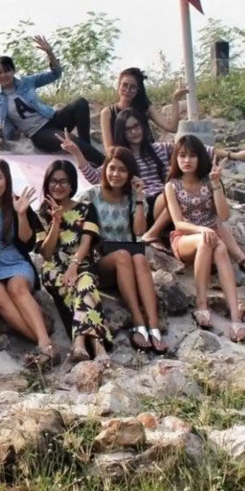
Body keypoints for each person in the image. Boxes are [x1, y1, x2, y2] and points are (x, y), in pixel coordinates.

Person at [65, 111, 245, 253]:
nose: (134, 131)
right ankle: (151, 235)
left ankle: (239, 258)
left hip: (167, 204)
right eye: (128, 129)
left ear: (143, 127)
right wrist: (77, 154)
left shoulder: (159, 148)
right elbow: (95, 178)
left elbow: (199, 150)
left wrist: (233, 155)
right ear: (122, 132)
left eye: (136, 126)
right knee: (173, 192)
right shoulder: (122, 157)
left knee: (190, 197)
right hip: (144, 207)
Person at [0, 158, 59, 366]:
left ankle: (44, 343)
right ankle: (45, 344)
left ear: (7, 180)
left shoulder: (17, 204)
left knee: (16, 288)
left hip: (15, 260)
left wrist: (21, 214)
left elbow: (27, 243)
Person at [0, 36, 104, 166]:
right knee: (69, 139)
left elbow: (55, 74)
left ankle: (87, 151)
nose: (3, 75)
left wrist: (49, 52)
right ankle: (105, 163)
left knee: (80, 102)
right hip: (39, 133)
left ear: (13, 71)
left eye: (7, 71)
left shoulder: (27, 82)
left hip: (53, 119)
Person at [78, 147, 166, 354]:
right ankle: (138, 320)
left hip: (130, 261)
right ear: (104, 169)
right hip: (100, 261)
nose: (116, 174)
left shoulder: (133, 197)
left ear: (130, 174)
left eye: (122, 170)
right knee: (124, 256)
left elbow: (140, 231)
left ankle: (153, 325)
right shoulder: (91, 195)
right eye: (112, 168)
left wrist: (139, 198)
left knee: (140, 258)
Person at [165, 135, 245, 342]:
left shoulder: (209, 182)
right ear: (176, 158)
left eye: (192, 155)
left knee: (219, 248)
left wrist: (216, 184)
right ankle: (202, 305)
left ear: (200, 158)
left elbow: (224, 216)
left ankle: (235, 318)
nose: (187, 160)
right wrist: (201, 230)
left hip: (212, 239)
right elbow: (178, 223)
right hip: (185, 239)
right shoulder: (172, 186)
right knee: (207, 241)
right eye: (182, 155)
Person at [36, 160, 111, 364]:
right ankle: (98, 345)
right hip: (54, 267)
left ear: (72, 185)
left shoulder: (86, 208)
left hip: (81, 263)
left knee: (84, 282)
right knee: (78, 285)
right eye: (53, 181)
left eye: (63, 181)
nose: (58, 186)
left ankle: (80, 343)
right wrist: (56, 222)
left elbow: (86, 242)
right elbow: (46, 254)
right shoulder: (40, 214)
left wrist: (74, 265)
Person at [100, 68, 187, 152]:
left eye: (133, 87)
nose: (127, 89)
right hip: (124, 157)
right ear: (119, 85)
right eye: (124, 85)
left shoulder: (145, 107)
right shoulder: (108, 112)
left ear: (138, 90)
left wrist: (175, 99)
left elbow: (172, 127)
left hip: (149, 154)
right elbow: (109, 149)